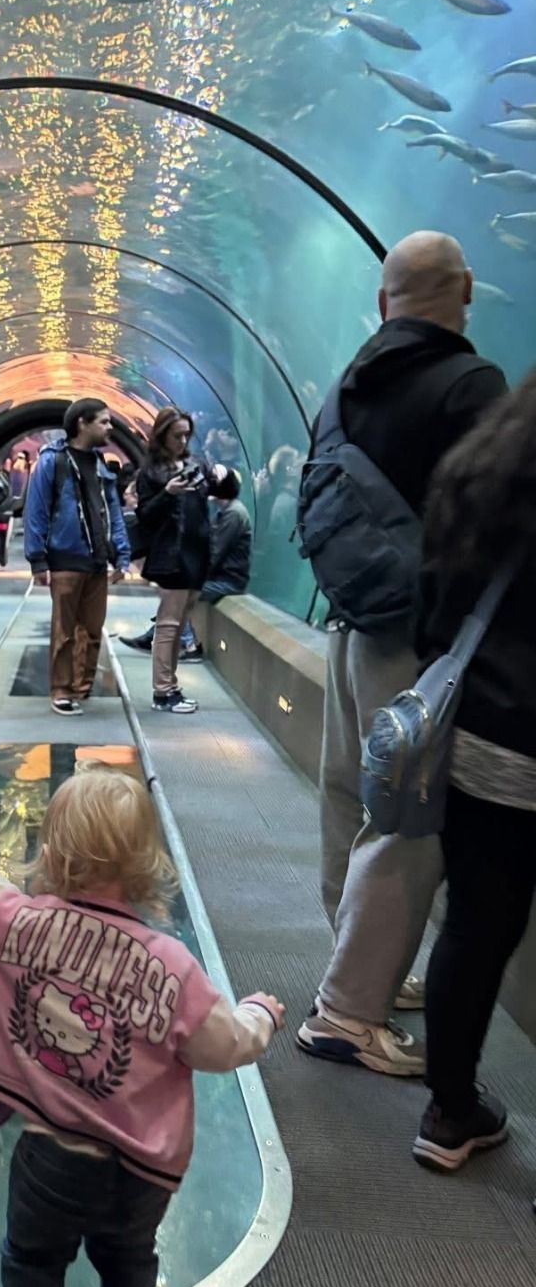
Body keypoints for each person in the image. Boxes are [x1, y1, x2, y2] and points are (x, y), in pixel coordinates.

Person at [0, 766, 283, 1287]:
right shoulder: (173, 968)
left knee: (32, 1264)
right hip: (138, 1173)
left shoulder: (17, 924)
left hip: (49, 1161)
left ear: (53, 850)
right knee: (129, 1265)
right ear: (146, 861)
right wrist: (259, 1014)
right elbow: (224, 1045)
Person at [296, 232, 507, 1076]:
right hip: (426, 647)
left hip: (352, 624)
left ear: (384, 302)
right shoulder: (471, 384)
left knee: (348, 792)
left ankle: (358, 960)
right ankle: (348, 1012)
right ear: (464, 291)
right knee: (409, 820)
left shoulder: (342, 391)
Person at [411, 373, 535, 1173]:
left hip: (485, 740)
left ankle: (450, 1113)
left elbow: (431, 618)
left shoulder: (476, 471)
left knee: (473, 926)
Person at [24, 401, 131, 717]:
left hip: (97, 560)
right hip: (65, 558)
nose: (110, 428)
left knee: (93, 629)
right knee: (64, 630)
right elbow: (37, 511)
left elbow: (114, 512)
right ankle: (61, 689)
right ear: (83, 423)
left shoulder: (99, 464)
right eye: (104, 422)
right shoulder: (52, 462)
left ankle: (81, 687)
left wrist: (122, 555)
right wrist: (38, 560)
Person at [135, 406, 226, 715]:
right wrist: (168, 493)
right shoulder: (151, 472)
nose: (183, 441)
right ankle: (163, 691)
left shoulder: (196, 464)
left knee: (181, 621)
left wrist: (219, 478)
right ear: (162, 436)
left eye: (187, 435)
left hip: (197, 552)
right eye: (177, 435)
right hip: (171, 555)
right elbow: (145, 516)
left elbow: (217, 494)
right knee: (169, 625)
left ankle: (171, 686)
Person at [120, 468, 251, 661]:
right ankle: (156, 636)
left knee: (181, 591)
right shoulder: (226, 511)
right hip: (221, 576)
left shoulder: (233, 514)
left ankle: (189, 644)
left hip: (228, 580)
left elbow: (216, 553)